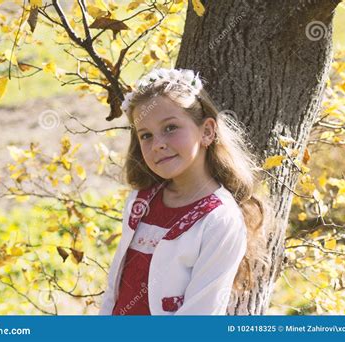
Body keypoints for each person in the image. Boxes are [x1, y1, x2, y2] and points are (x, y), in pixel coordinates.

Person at [99, 68, 272, 315]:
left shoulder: (219, 220)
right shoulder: (141, 201)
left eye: (170, 128)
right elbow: (114, 290)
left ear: (207, 131)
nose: (158, 143)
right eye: (146, 135)